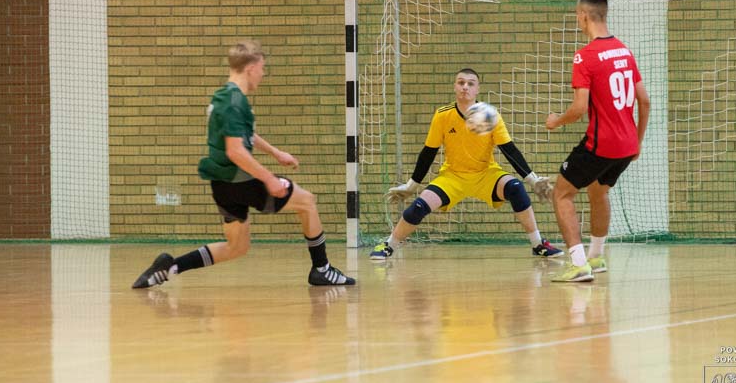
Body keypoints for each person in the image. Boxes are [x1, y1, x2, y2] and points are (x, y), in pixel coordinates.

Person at [133, 40, 355, 288]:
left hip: (222, 184)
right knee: (307, 201)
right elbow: (236, 150)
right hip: (241, 179)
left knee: (236, 246)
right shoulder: (235, 101)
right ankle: (322, 269)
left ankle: (170, 267)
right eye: (262, 68)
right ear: (251, 68)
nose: (263, 74)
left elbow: (243, 135)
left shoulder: (223, 96)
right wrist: (269, 179)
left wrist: (275, 152)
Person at [371, 68, 562, 261]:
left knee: (515, 188)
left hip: (486, 174)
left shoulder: (490, 115)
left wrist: (532, 180)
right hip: (452, 176)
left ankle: (537, 244)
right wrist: (411, 186)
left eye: (471, 83)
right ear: (454, 87)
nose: (465, 87)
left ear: (477, 89)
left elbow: (509, 150)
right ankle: (389, 245)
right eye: (461, 82)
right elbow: (428, 152)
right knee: (419, 206)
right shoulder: (443, 115)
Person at [544, 0, 650, 282]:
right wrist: (638, 141)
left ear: (583, 16)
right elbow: (645, 101)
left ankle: (578, 264)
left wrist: (556, 121)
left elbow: (579, 109)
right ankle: (596, 256)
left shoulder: (585, 55)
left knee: (561, 193)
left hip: (601, 144)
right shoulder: (624, 51)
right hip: (626, 145)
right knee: (598, 191)